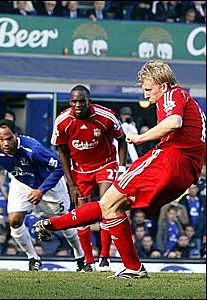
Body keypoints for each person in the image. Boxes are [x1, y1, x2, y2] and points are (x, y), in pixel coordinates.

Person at [34, 60, 206, 278]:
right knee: (113, 206)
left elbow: (174, 122)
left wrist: (140, 137)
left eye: (148, 89)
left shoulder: (172, 95)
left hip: (169, 160)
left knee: (108, 202)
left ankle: (57, 226)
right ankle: (129, 266)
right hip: (186, 173)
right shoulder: (191, 104)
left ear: (162, 85)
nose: (146, 95)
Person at [0, 119, 85, 271]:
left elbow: (58, 167)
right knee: (14, 220)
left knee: (65, 222)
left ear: (16, 135)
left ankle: (80, 255)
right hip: (22, 182)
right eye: (1, 139)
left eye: (9, 138)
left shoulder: (34, 150)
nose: (5, 143)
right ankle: (33, 258)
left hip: (49, 185)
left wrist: (41, 190)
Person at [48, 84, 127, 272]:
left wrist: (122, 170)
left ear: (88, 102)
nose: (78, 105)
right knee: (82, 215)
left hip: (105, 164)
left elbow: (122, 140)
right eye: (74, 101)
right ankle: (88, 261)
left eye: (81, 101)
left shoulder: (105, 116)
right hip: (80, 170)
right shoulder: (62, 122)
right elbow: (62, 150)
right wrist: (70, 183)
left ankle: (105, 256)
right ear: (70, 102)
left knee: (107, 206)